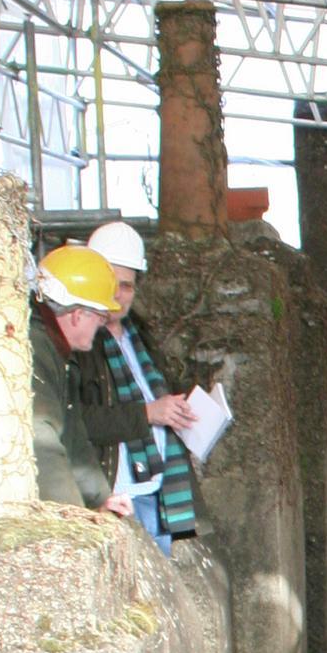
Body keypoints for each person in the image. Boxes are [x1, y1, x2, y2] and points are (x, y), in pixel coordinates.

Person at [77, 220, 200, 548]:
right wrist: (148, 414)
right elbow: (79, 421)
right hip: (119, 497)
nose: (118, 295)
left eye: (127, 286)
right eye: (111, 283)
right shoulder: (79, 341)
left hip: (159, 492)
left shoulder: (138, 333)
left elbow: (153, 396)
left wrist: (174, 411)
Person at [31, 246, 129, 515]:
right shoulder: (35, 350)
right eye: (100, 317)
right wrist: (74, 515)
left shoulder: (58, 352)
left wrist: (100, 499)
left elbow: (73, 436)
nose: (101, 326)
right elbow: (41, 436)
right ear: (78, 314)